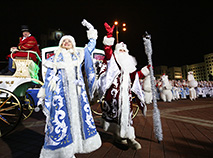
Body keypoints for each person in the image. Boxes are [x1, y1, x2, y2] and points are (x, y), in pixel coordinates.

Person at [36, 20, 101, 158]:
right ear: (60, 44)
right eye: (64, 42)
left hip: (77, 95)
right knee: (61, 120)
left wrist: (91, 31)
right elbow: (49, 75)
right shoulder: (54, 58)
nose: (66, 43)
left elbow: (91, 47)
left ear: (73, 44)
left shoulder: (78, 55)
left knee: (78, 119)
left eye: (69, 42)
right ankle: (63, 151)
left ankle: (76, 145)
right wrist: (50, 85)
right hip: (60, 95)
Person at [95, 22, 150, 150]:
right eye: (120, 50)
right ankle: (118, 137)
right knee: (115, 118)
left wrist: (146, 70)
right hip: (113, 97)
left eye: (124, 50)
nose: (122, 51)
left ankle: (131, 138)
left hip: (126, 97)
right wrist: (109, 36)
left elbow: (135, 77)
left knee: (127, 117)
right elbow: (108, 51)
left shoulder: (130, 64)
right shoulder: (113, 61)